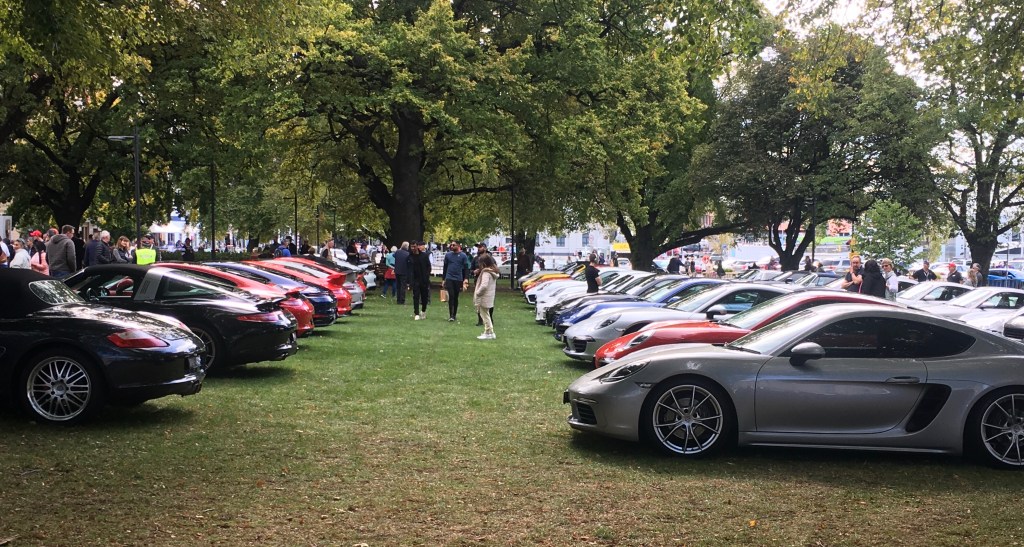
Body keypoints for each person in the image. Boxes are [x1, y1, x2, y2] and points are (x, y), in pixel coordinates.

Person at [442, 243, 471, 322]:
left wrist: (466, 278)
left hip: (458, 278)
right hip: (449, 277)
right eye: (451, 245)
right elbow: (445, 267)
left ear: (458, 246)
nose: (452, 246)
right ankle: (451, 315)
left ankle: (454, 314)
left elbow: (466, 268)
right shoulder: (448, 255)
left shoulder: (463, 256)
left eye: (454, 245)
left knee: (455, 296)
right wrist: (443, 279)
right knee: (451, 295)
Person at [473, 254, 499, 339]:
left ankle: (489, 332)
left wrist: (478, 293)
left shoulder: (486, 273)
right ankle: (488, 331)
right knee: (486, 314)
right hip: (489, 296)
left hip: (484, 297)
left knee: (485, 315)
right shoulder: (493, 272)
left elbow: (484, 286)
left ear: (483, 263)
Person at [410, 241, 432, 320]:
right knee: (415, 296)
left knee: (424, 297)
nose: (413, 248)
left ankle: (423, 310)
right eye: (411, 246)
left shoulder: (424, 256)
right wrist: (410, 281)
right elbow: (409, 269)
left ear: (417, 246)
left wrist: (426, 275)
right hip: (415, 280)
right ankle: (416, 313)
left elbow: (429, 266)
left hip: (424, 279)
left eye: (414, 246)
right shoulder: (410, 257)